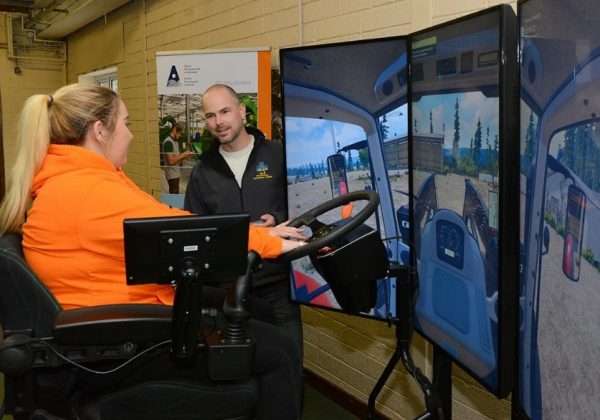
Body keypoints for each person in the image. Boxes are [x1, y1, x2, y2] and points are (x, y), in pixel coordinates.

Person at [0, 84, 305, 419]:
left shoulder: (72, 181)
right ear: (100, 131)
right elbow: (180, 234)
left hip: (107, 328)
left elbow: (167, 223)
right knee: (281, 352)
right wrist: (271, 243)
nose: (130, 135)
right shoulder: (88, 190)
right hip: (123, 344)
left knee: (254, 309)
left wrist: (257, 233)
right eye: (126, 123)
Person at [184, 84, 303, 351]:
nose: (218, 122)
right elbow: (195, 231)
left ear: (241, 111)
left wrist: (277, 216)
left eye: (225, 111)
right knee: (237, 378)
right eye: (210, 115)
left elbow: (301, 204)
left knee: (288, 367)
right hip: (227, 294)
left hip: (278, 288)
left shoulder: (278, 154)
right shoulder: (203, 171)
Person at [162, 122, 193, 193]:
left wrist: (185, 156)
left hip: (176, 173)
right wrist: (184, 154)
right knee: (174, 196)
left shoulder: (174, 141)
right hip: (172, 174)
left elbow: (176, 159)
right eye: (180, 133)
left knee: (175, 195)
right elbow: (171, 161)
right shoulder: (168, 143)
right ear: (175, 130)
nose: (180, 136)